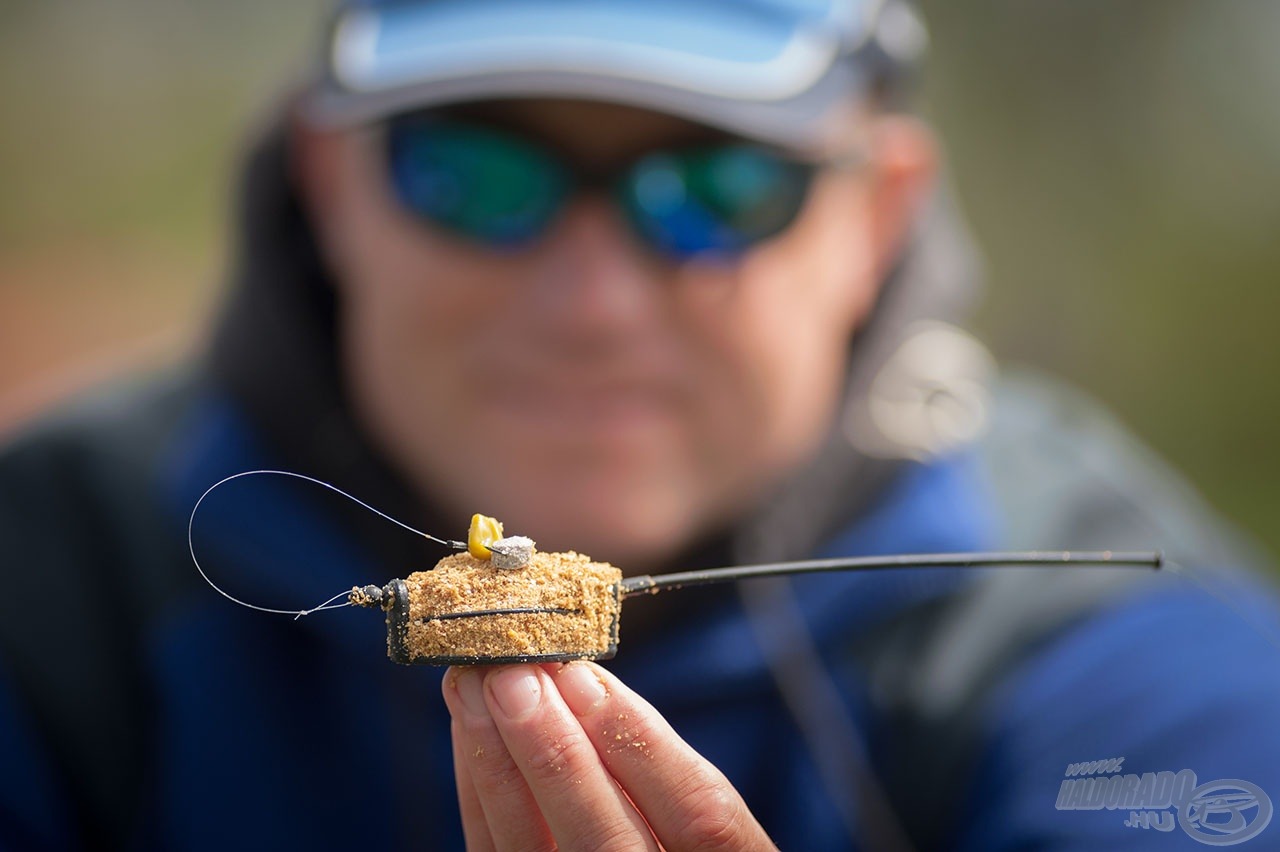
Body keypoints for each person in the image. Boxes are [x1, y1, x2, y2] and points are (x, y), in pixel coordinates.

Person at [2, 1, 1278, 849]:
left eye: (718, 188)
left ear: (877, 220)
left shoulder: (1142, 686)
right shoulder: (41, 584)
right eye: (478, 174)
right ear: (329, 184)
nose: (591, 305)